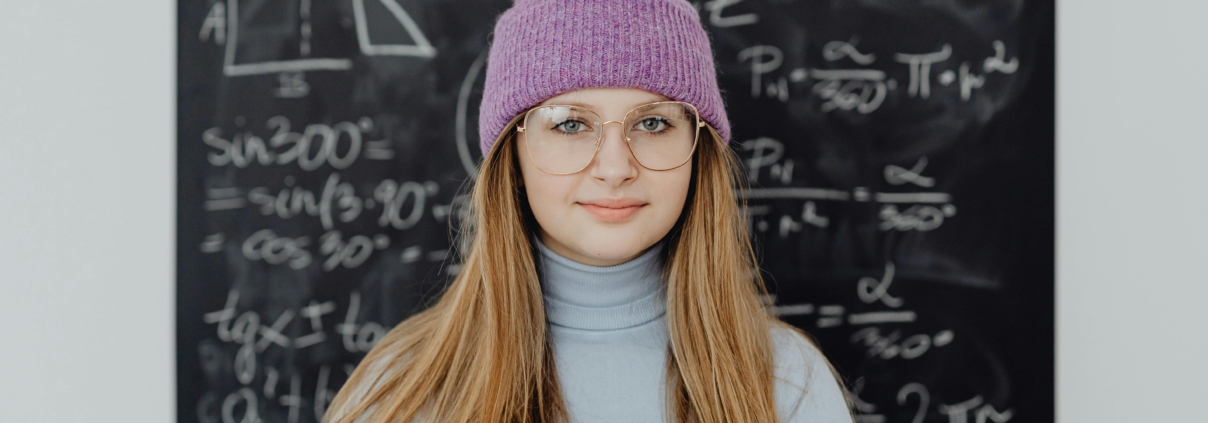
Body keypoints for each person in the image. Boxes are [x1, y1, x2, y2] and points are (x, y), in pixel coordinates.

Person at [325, 0, 854, 421]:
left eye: (653, 123)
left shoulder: (787, 383)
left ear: (699, 148)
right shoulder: (397, 391)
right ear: (514, 152)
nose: (615, 167)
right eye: (570, 124)